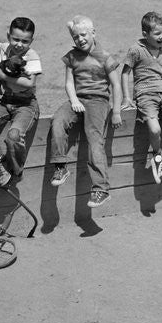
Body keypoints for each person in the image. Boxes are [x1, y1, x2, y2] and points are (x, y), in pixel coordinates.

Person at [48, 15, 123, 208]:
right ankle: (60, 166)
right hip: (77, 99)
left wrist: (116, 111)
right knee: (58, 121)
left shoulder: (105, 57)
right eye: (76, 37)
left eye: (83, 35)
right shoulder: (72, 57)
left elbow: (116, 85)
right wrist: (73, 100)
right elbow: (69, 82)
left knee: (94, 138)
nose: (80, 39)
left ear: (93, 33)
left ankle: (101, 188)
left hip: (98, 101)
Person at [0, 15, 42, 188]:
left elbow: (29, 82)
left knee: (14, 136)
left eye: (25, 41)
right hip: (6, 102)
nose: (19, 44)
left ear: (31, 41)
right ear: (9, 36)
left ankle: (16, 172)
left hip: (26, 105)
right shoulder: (4, 49)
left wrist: (4, 77)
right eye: (16, 39)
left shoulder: (31, 56)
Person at [120, 11, 162, 183]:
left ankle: (160, 158)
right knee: (155, 129)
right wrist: (127, 98)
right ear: (145, 34)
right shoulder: (136, 50)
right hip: (145, 94)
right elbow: (125, 73)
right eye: (157, 33)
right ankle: (157, 153)